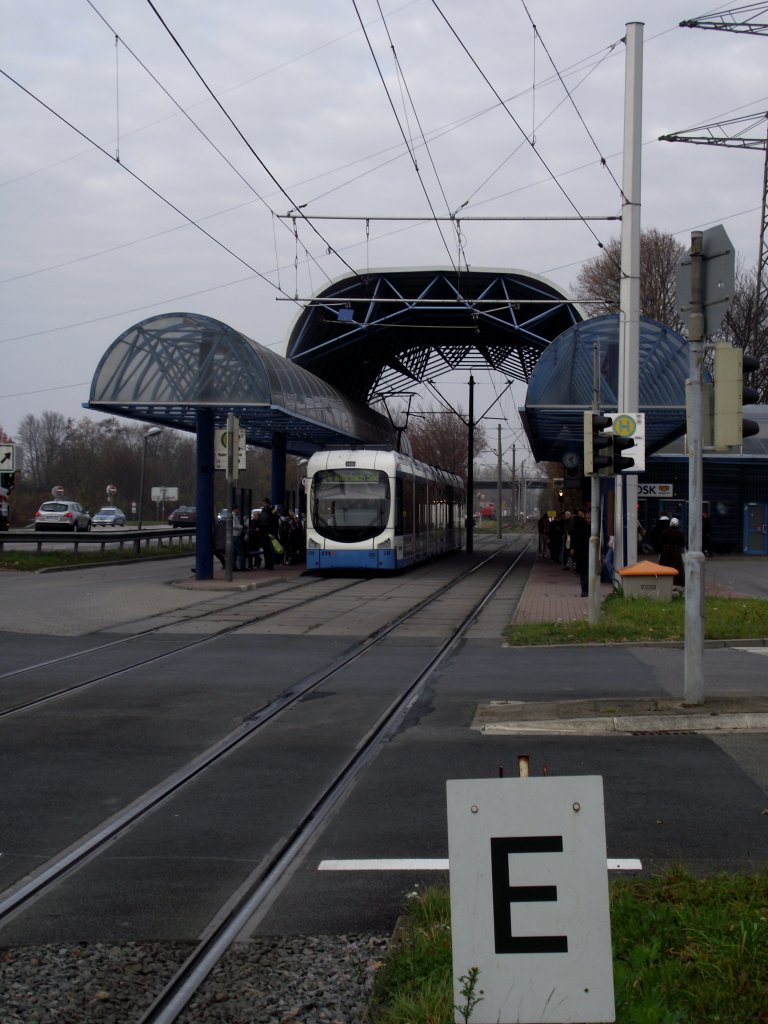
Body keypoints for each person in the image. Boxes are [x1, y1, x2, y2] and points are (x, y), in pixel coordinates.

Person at [569, 509, 591, 597]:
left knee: (586, 571)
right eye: (588, 517)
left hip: (586, 552)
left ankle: (587, 589)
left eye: (590, 517)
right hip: (583, 552)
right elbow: (574, 537)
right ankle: (585, 590)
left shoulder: (593, 526)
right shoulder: (580, 526)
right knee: (584, 571)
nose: (589, 519)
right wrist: (573, 548)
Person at [659, 516, 685, 585]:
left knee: (665, 565)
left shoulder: (664, 532)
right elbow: (682, 544)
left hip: (666, 551)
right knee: (676, 567)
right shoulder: (679, 533)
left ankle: (664, 580)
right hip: (675, 551)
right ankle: (677, 582)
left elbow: (660, 542)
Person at [231, 506, 247, 571]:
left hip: (234, 536)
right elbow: (233, 526)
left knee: (235, 552)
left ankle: (233, 566)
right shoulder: (233, 516)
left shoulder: (233, 516)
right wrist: (241, 527)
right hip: (236, 536)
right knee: (241, 552)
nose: (238, 510)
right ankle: (242, 567)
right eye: (238, 509)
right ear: (235, 509)